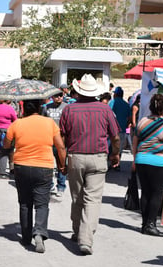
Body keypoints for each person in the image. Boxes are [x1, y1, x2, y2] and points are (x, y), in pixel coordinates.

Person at [60, 74, 120, 255]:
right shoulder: (105, 110)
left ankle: (78, 231)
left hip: (75, 157)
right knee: (92, 199)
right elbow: (115, 136)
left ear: (78, 91)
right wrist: (116, 154)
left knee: (77, 197)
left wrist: (61, 161)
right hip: (98, 157)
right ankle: (85, 239)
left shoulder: (69, 110)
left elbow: (62, 138)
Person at [4, 99, 66, 253]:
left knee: (25, 203)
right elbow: (60, 146)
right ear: (40, 107)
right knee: (42, 204)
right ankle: (39, 233)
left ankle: (25, 237)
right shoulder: (50, 123)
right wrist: (63, 165)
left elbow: (6, 145)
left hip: (21, 167)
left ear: (24, 108)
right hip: (43, 167)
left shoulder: (17, 124)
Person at [132, 94, 163, 237]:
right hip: (158, 162)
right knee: (157, 193)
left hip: (141, 160)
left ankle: (145, 224)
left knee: (145, 192)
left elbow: (135, 142)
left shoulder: (142, 122)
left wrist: (135, 158)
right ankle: (151, 225)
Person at [42, 91, 67, 198]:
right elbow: (42, 122)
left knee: (61, 163)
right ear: (52, 97)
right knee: (49, 164)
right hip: (48, 139)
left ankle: (61, 186)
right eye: (56, 96)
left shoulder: (66, 107)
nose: (59, 98)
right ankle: (50, 185)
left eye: (61, 96)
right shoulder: (46, 107)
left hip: (61, 139)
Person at [0, 100, 17, 179]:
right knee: (5, 151)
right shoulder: (10, 108)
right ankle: (2, 173)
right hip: (6, 131)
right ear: (7, 99)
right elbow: (15, 120)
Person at [109, 87, 131, 165]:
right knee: (119, 148)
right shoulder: (126, 104)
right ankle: (117, 164)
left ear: (115, 94)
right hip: (122, 130)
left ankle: (111, 163)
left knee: (111, 147)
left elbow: (108, 115)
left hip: (112, 130)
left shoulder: (112, 102)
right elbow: (129, 118)